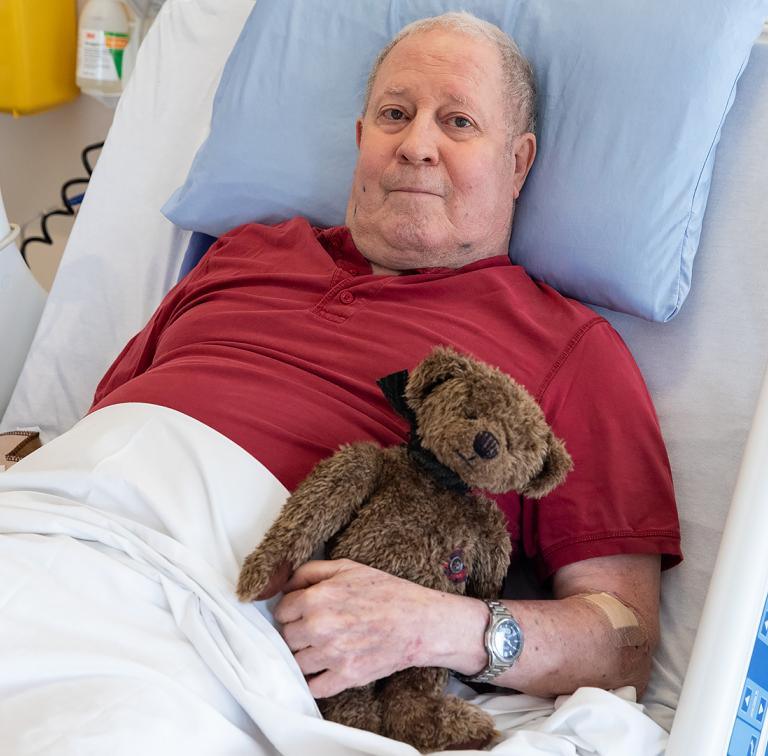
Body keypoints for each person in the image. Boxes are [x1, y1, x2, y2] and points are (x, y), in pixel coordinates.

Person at [89, 12, 682, 705]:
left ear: (517, 162)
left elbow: (625, 638)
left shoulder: (568, 349)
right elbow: (98, 435)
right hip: (73, 535)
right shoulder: (244, 254)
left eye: (458, 122)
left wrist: (440, 628)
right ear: (361, 138)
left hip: (222, 626)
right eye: (395, 114)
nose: (417, 146)